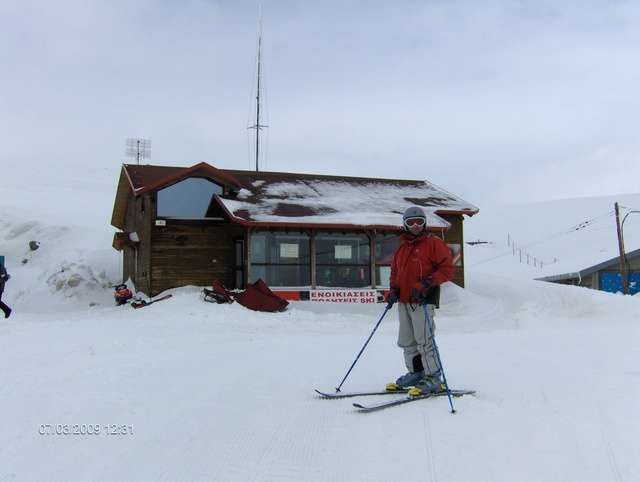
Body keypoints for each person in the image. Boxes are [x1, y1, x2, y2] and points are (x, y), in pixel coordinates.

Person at [385, 206, 454, 394]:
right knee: (407, 340)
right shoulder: (402, 248)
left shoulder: (433, 243)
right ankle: (417, 373)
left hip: (423, 300)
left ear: (424, 223)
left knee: (425, 340)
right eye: (410, 222)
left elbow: (447, 269)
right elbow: (395, 273)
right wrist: (393, 291)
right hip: (405, 301)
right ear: (405, 225)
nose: (415, 226)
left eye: (419, 222)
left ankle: (434, 377)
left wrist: (427, 283)